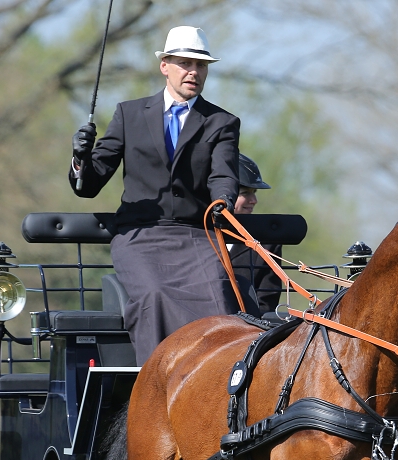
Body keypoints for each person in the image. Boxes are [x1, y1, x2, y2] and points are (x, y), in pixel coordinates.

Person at [69, 26, 240, 366]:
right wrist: (80, 158)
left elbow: (223, 174)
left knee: (221, 302)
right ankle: (158, 381)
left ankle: (218, 389)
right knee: (153, 296)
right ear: (165, 66)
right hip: (140, 235)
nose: (193, 72)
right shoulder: (128, 115)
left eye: (201, 65)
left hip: (196, 236)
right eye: (184, 63)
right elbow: (89, 185)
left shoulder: (221, 122)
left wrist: (222, 202)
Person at [229, 154, 284, 316]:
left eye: (254, 192)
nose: (254, 200)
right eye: (245, 193)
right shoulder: (196, 237)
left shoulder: (267, 243)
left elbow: (266, 303)